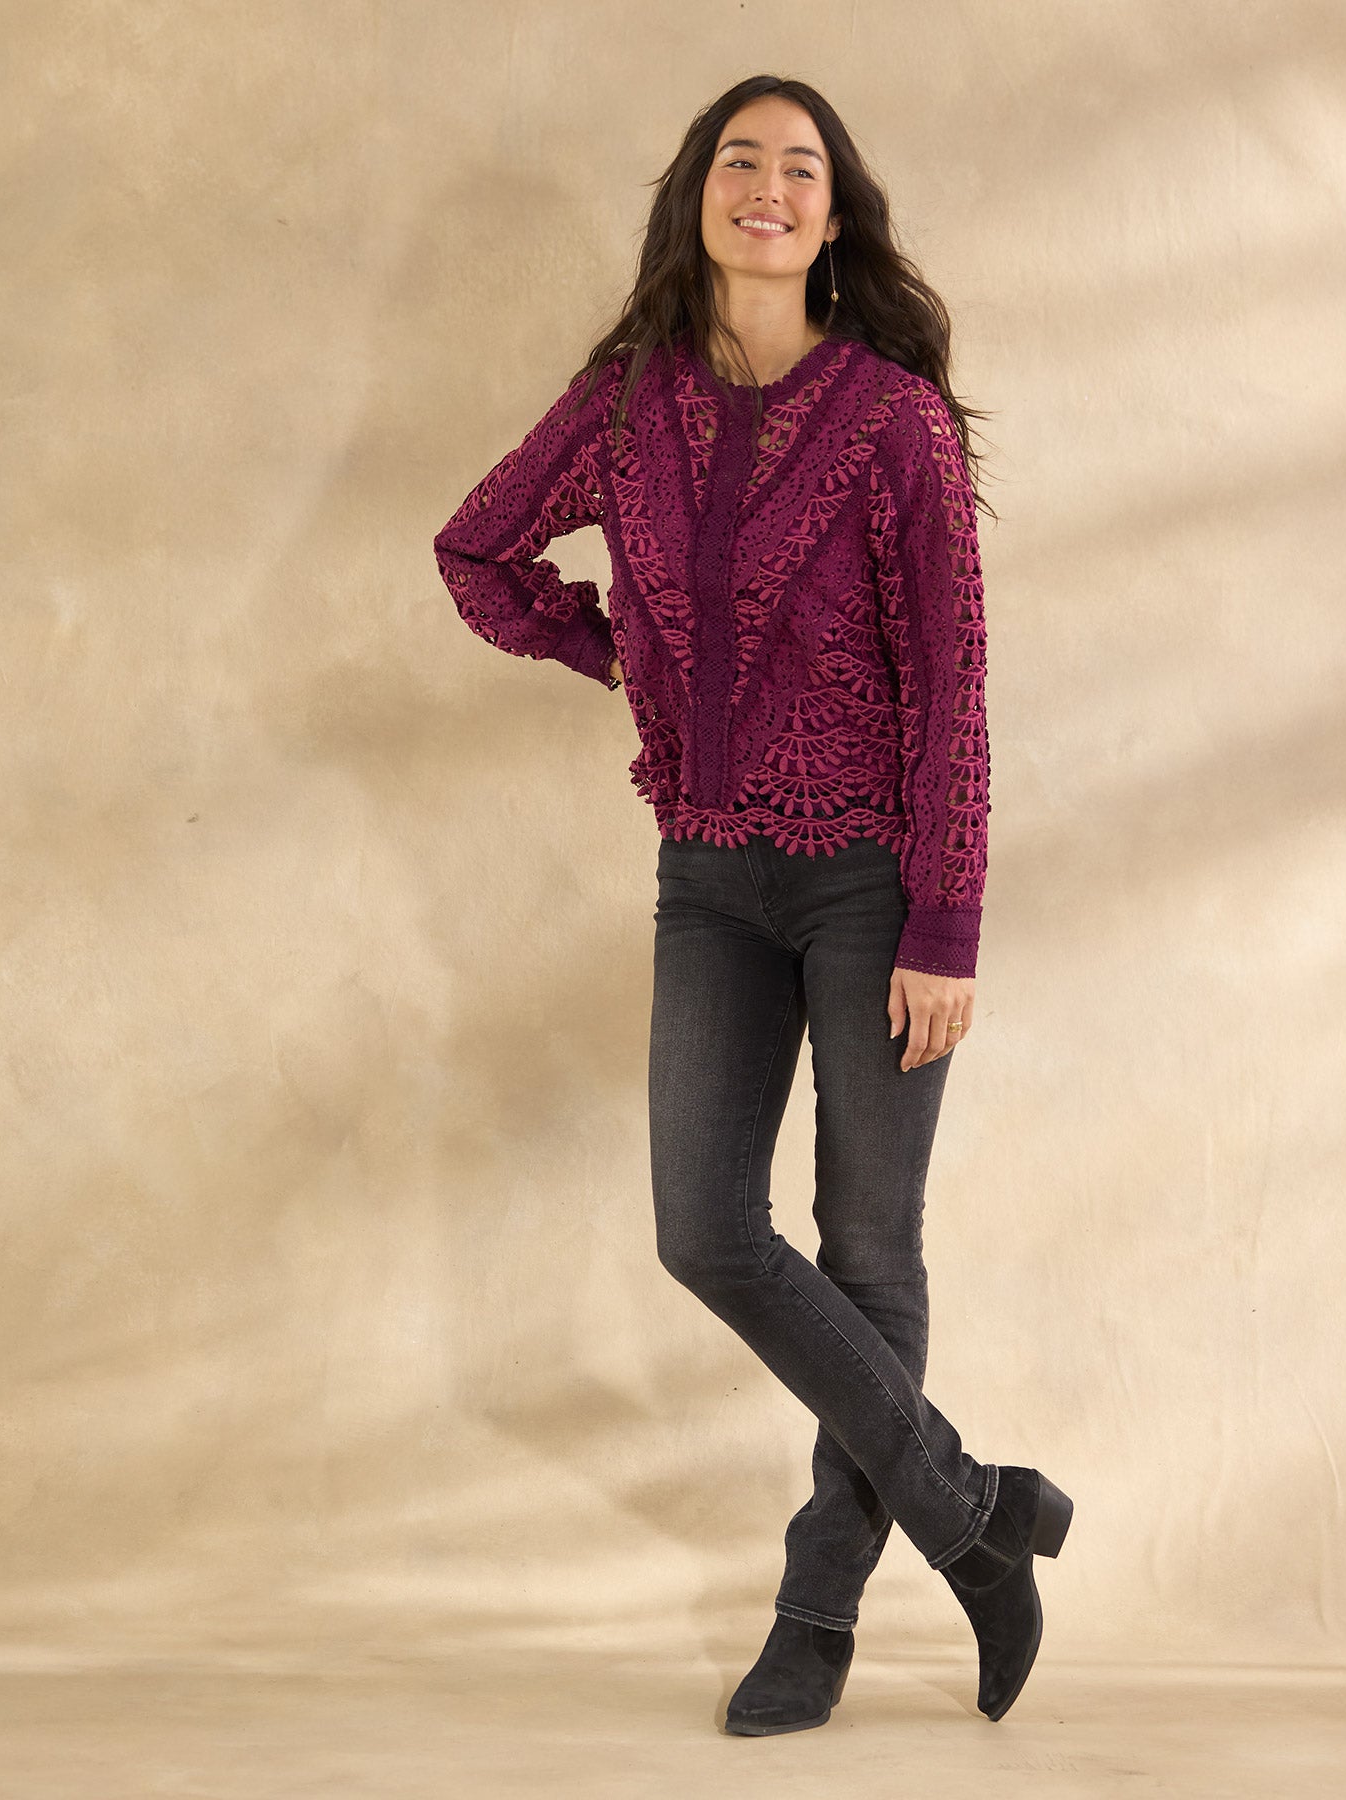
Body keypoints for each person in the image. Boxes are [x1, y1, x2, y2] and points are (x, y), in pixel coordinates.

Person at [432, 74, 1072, 1733]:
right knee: (705, 1228)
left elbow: (952, 690)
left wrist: (946, 927)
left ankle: (817, 1614)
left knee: (868, 1248)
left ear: (834, 217)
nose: (767, 187)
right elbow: (478, 553)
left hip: (875, 882)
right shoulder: (624, 401)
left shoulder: (892, 422)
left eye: (800, 168)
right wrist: (628, 658)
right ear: (698, 197)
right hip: (706, 878)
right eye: (740, 161)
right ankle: (977, 1520)